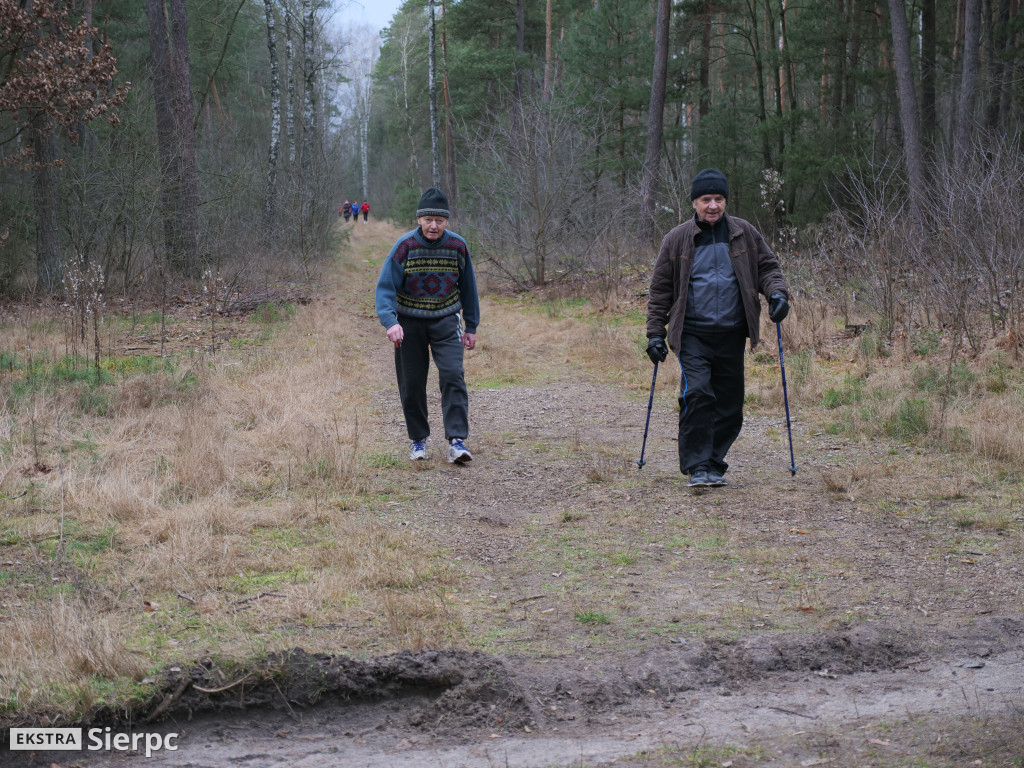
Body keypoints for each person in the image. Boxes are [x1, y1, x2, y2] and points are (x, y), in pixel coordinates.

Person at [645, 168, 791, 488]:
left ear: (726, 201)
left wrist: (778, 294)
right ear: (694, 203)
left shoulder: (744, 233)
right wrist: (655, 333)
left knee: (730, 404)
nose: (713, 205)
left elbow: (767, 269)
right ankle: (697, 466)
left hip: (732, 332)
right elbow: (660, 292)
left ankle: (713, 461)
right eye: (706, 199)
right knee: (698, 393)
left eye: (719, 199)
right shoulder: (676, 239)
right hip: (693, 334)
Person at [375, 187, 479, 464]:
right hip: (409, 322)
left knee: (453, 375)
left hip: (446, 319)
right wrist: (390, 322)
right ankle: (418, 441)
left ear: (447, 222)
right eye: (428, 219)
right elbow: (385, 288)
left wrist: (472, 326)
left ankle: (457, 441)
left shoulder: (458, 246)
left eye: (440, 220)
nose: (434, 226)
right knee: (412, 383)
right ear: (419, 219)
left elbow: (469, 288)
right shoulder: (404, 246)